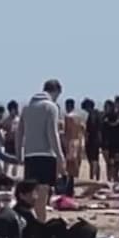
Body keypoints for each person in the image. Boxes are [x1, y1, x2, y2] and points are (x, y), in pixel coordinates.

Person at [19, 80, 65, 221]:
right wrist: (60, 155)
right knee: (42, 194)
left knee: (30, 193)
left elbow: (19, 131)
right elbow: (52, 133)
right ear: (56, 92)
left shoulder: (27, 107)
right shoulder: (51, 107)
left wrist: (18, 151)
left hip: (29, 154)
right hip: (45, 154)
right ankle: (41, 224)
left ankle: (31, 222)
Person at [82, 98, 103, 182]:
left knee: (92, 161)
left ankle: (92, 179)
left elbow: (90, 129)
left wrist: (86, 137)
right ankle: (97, 178)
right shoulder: (98, 114)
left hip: (92, 140)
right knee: (96, 160)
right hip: (97, 139)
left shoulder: (92, 115)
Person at [64, 98, 85, 180]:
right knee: (77, 163)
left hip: (70, 141)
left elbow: (67, 131)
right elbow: (82, 128)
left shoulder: (68, 117)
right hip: (78, 141)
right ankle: (76, 178)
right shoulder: (78, 117)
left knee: (70, 164)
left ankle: (71, 182)